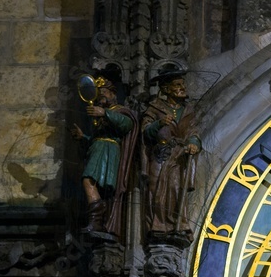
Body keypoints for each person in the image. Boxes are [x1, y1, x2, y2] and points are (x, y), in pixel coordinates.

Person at [71, 77, 138, 238]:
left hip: (108, 151)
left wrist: (105, 113)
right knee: (95, 185)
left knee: (88, 180)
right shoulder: (101, 117)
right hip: (99, 149)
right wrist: (83, 137)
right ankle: (99, 221)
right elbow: (97, 138)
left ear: (113, 94)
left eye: (104, 94)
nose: (101, 98)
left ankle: (97, 219)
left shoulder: (120, 110)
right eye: (99, 95)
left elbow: (127, 125)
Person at [142, 71, 201, 238]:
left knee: (176, 188)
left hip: (179, 154)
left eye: (183, 84)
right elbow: (145, 131)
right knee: (155, 187)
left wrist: (193, 144)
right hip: (161, 152)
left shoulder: (188, 111)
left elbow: (194, 132)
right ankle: (158, 224)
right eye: (178, 85)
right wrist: (159, 124)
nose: (183, 88)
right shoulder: (155, 108)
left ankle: (177, 224)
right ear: (166, 89)